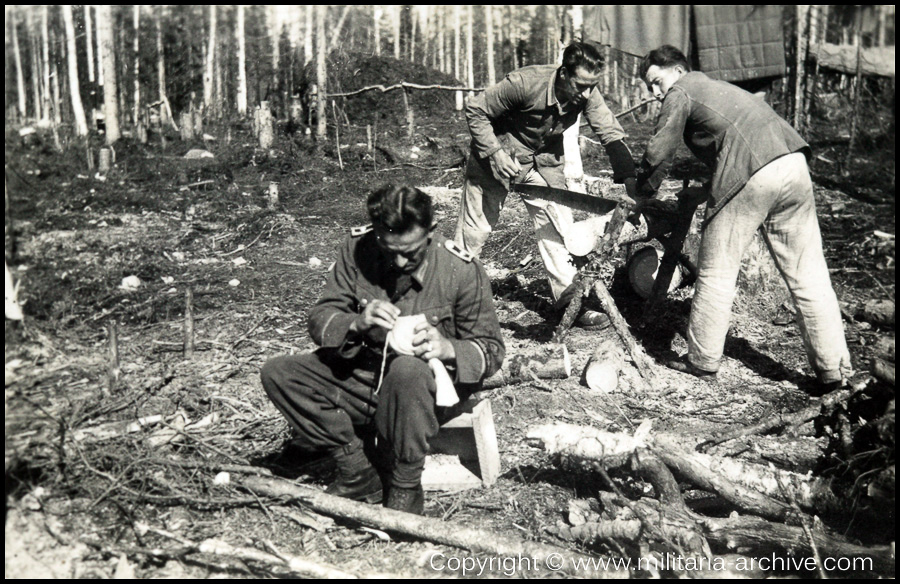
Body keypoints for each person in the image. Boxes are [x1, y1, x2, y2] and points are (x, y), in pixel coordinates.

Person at [261, 185, 505, 515]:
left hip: (426, 395)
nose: (400, 262)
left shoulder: (459, 270)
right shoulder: (357, 250)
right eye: (389, 251)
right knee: (280, 373)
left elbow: (491, 351)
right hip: (366, 378)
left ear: (431, 231)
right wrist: (357, 323)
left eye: (411, 252)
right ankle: (358, 469)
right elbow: (320, 317)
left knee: (407, 371)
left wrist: (447, 348)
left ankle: (405, 485)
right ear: (376, 233)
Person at [636, 45, 852, 387]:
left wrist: (640, 192)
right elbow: (741, 144)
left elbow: (661, 149)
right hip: (793, 164)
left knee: (716, 272)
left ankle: (703, 360)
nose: (654, 92)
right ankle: (834, 370)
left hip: (756, 173)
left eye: (656, 81)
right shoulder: (722, 90)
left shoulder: (681, 90)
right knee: (807, 273)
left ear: (677, 70)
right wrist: (707, 188)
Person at [455, 41, 639, 329]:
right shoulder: (524, 83)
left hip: (540, 164)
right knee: (475, 231)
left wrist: (629, 177)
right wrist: (495, 152)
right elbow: (476, 110)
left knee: (558, 224)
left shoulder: (586, 90)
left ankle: (568, 301)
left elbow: (609, 130)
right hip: (497, 159)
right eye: (581, 85)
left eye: (593, 85)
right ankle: (452, 297)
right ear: (564, 73)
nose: (587, 93)